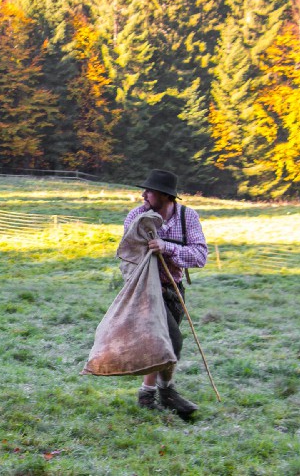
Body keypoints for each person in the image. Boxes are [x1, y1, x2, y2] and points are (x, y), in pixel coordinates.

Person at [124, 169, 207, 417]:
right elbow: (127, 253)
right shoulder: (137, 216)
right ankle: (167, 391)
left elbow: (200, 256)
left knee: (159, 343)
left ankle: (147, 394)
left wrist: (167, 248)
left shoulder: (187, 217)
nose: (143, 195)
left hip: (174, 289)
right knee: (171, 340)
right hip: (144, 290)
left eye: (149, 191)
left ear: (164, 195)